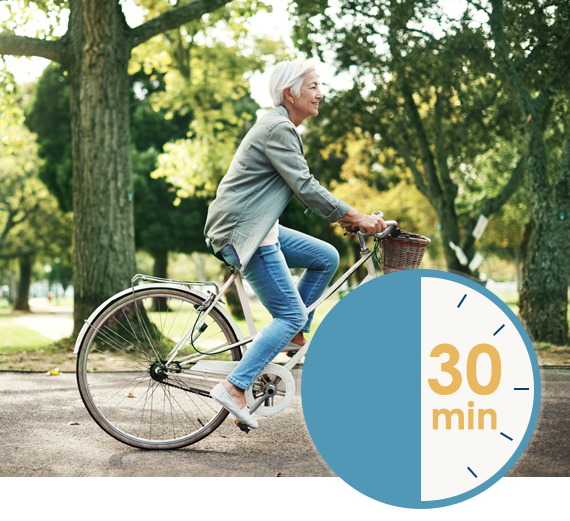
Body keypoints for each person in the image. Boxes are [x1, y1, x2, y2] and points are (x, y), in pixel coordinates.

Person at [205, 60, 386, 428]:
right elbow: (305, 186)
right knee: (291, 313)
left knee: (325, 256)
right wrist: (357, 216)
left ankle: (291, 339)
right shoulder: (278, 128)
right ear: (291, 93)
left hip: (258, 225)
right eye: (313, 86)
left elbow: (302, 187)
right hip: (244, 232)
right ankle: (235, 386)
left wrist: (349, 217)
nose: (320, 93)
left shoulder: (281, 126)